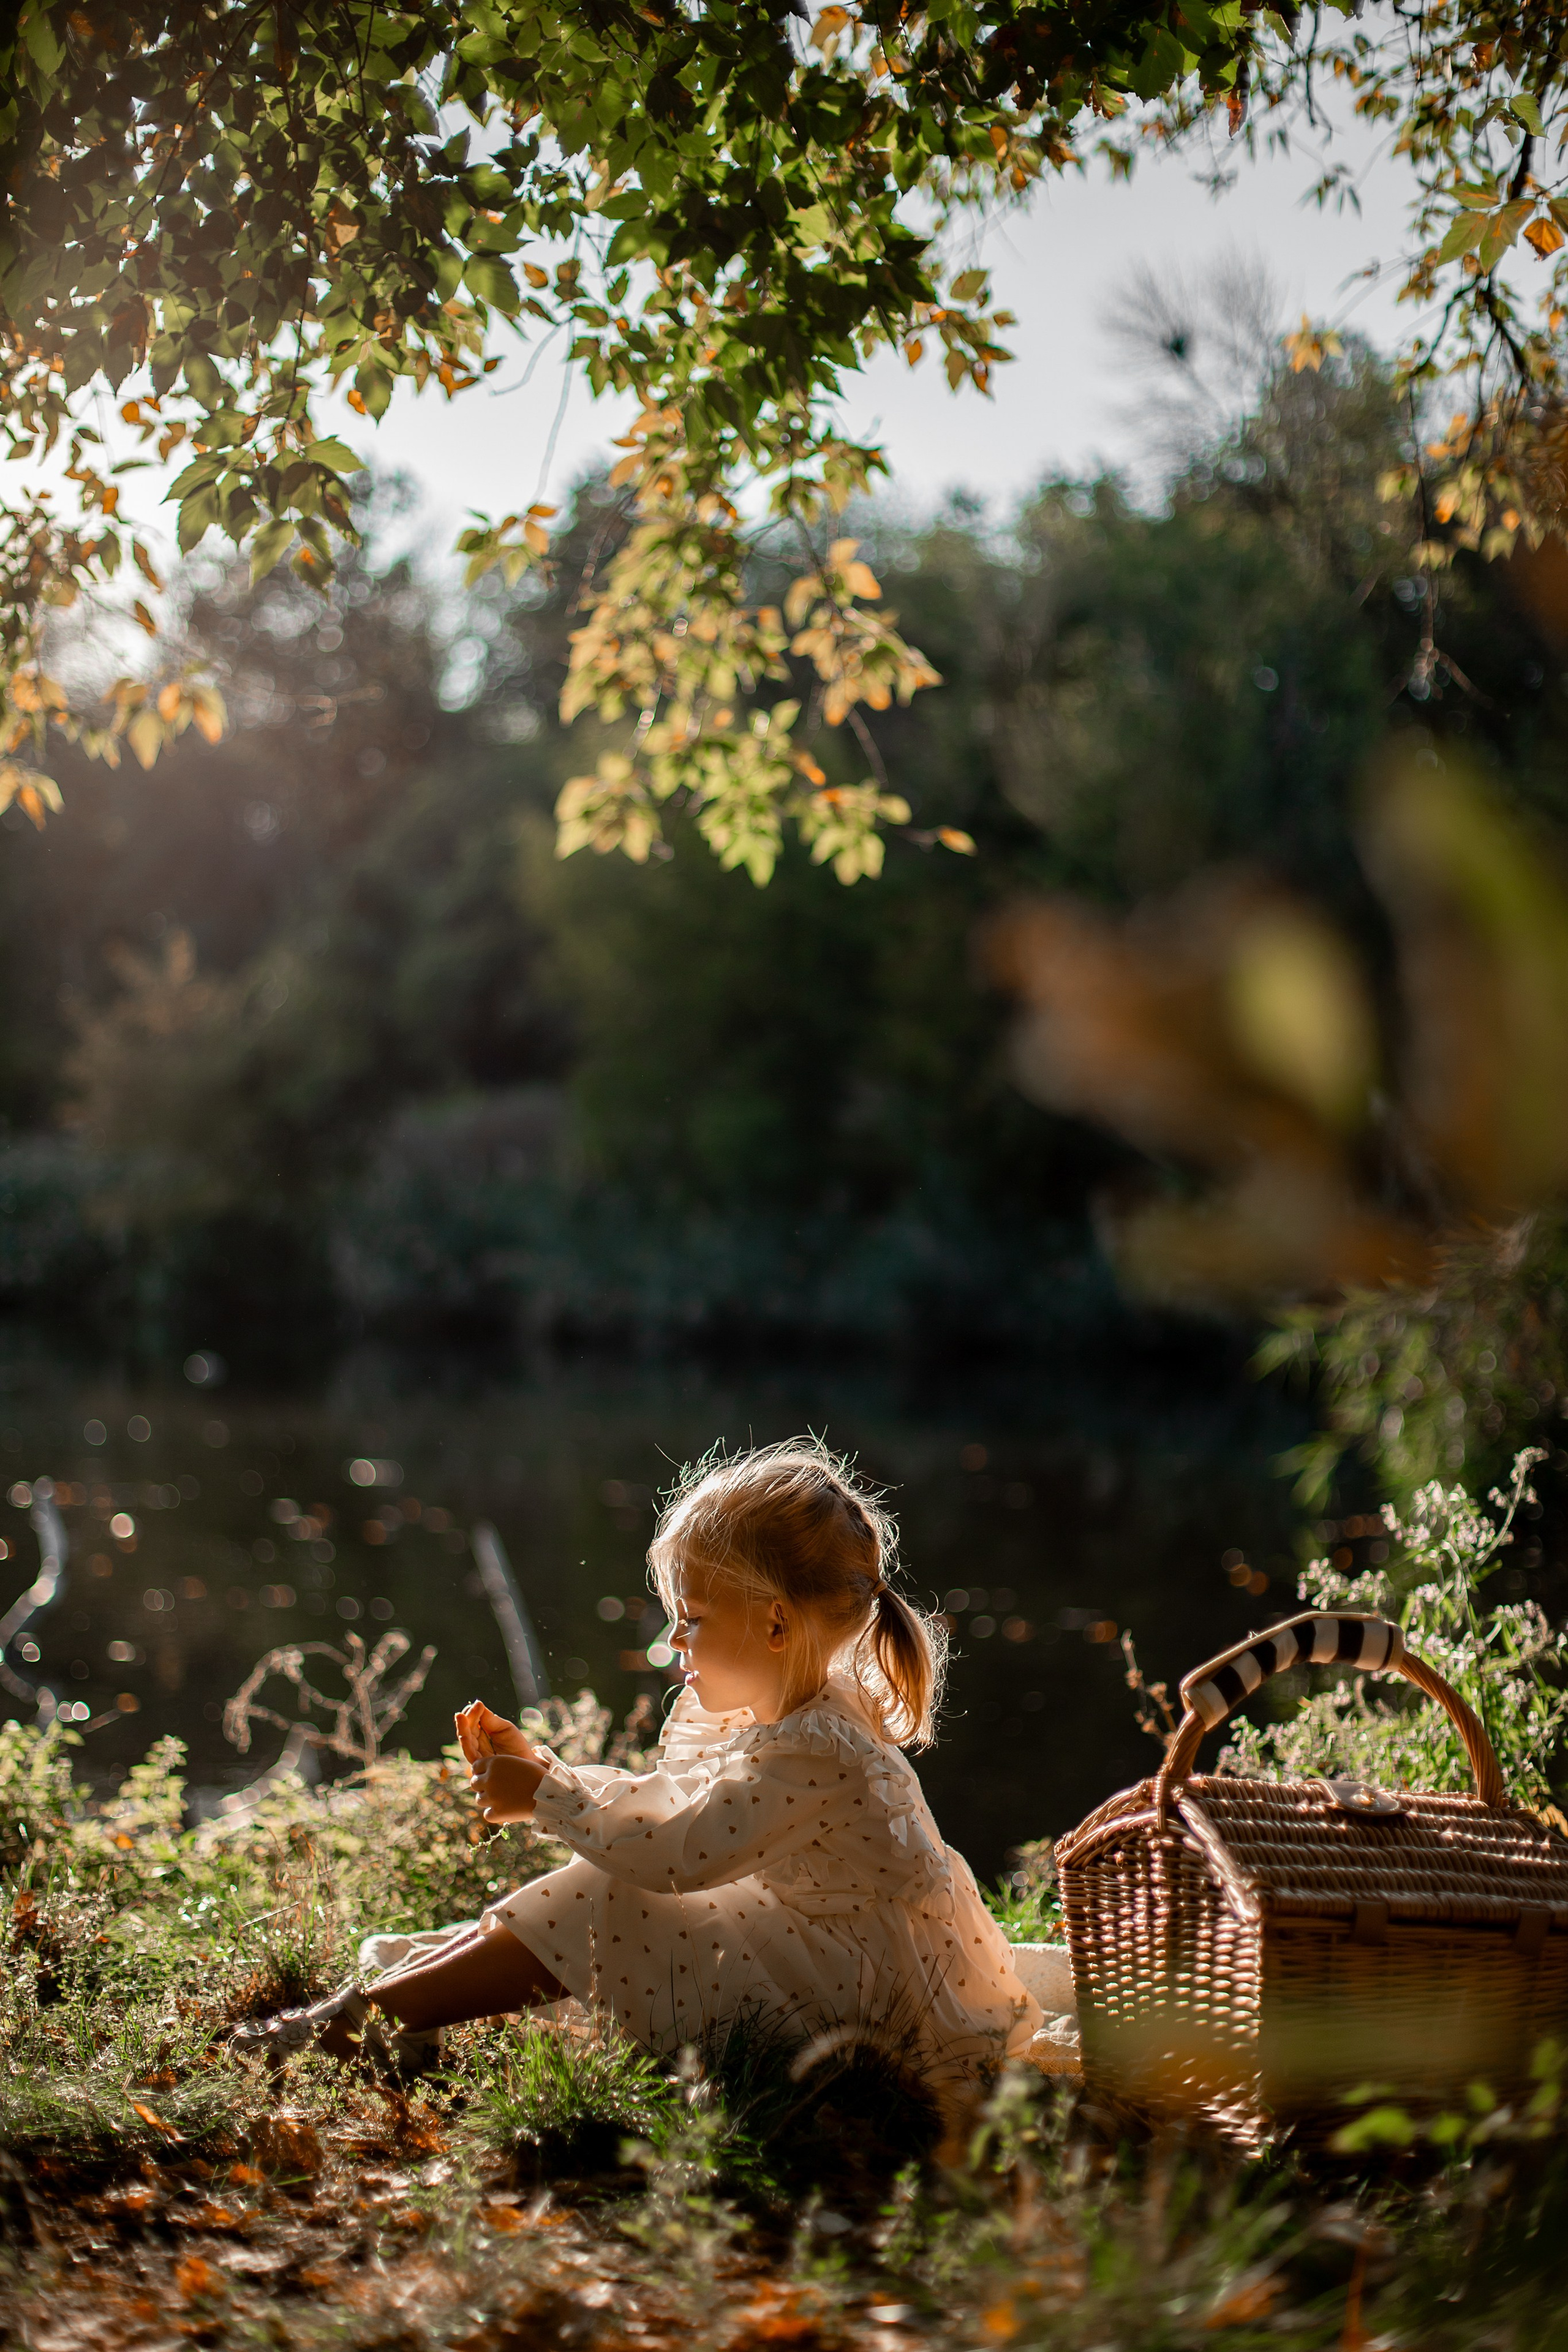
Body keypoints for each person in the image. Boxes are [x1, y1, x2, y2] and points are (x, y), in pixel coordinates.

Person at [235, 1438, 1044, 2119]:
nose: (672, 1643)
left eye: (692, 1619)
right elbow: (675, 1808)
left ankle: (363, 2021)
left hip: (871, 2023)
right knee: (605, 1895)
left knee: (613, 1900)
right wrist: (548, 1774)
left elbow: (676, 1855)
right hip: (826, 1972)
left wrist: (545, 1801)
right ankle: (393, 2010)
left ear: (774, 1622)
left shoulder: (821, 1748)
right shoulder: (780, 1716)